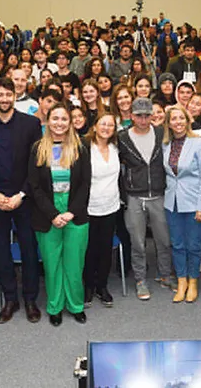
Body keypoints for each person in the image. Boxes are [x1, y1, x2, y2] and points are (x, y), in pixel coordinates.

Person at [0, 78, 43, 324]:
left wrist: (21, 194)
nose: (4, 99)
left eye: (9, 94)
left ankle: (30, 299)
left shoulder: (31, 124)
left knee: (28, 250)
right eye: (0, 95)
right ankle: (10, 299)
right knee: (2, 251)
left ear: (15, 95)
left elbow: (36, 164)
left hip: (23, 199)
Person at [29, 103, 91, 326]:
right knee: (52, 263)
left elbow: (85, 183)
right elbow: (34, 186)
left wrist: (71, 212)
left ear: (70, 121)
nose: (59, 123)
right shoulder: (37, 148)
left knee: (74, 263)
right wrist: (54, 214)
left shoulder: (81, 146)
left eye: (64, 119)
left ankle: (76, 305)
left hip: (75, 212)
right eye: (55, 118)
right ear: (48, 120)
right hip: (47, 213)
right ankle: (55, 306)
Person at [117, 97, 171, 300]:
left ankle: (165, 275)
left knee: (164, 240)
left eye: (147, 115)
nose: (143, 119)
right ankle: (140, 279)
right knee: (137, 242)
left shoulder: (160, 133)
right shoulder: (122, 137)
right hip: (134, 196)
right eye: (139, 115)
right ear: (131, 116)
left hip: (158, 193)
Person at [162, 105, 201, 303]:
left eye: (181, 118)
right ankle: (181, 282)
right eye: (174, 119)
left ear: (187, 120)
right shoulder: (166, 144)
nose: (178, 122)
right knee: (177, 244)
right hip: (171, 202)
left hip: (193, 203)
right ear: (169, 123)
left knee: (193, 245)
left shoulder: (198, 143)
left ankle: (193, 281)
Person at [83, 112, 121, 308]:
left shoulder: (116, 147)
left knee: (106, 249)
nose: (106, 128)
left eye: (111, 125)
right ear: (95, 126)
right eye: (103, 124)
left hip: (111, 206)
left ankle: (102, 287)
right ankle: (88, 287)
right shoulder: (84, 147)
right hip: (89, 207)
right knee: (89, 250)